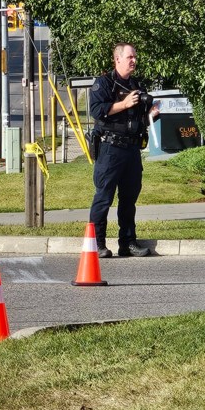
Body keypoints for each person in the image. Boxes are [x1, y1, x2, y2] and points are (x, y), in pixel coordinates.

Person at [87, 43, 157, 258]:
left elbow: (137, 119)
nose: (134, 60)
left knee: (129, 199)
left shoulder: (137, 84)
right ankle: (97, 244)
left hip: (131, 149)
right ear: (117, 59)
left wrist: (149, 116)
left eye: (135, 57)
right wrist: (124, 104)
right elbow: (96, 111)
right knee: (104, 197)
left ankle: (127, 243)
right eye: (130, 57)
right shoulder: (104, 83)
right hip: (110, 148)